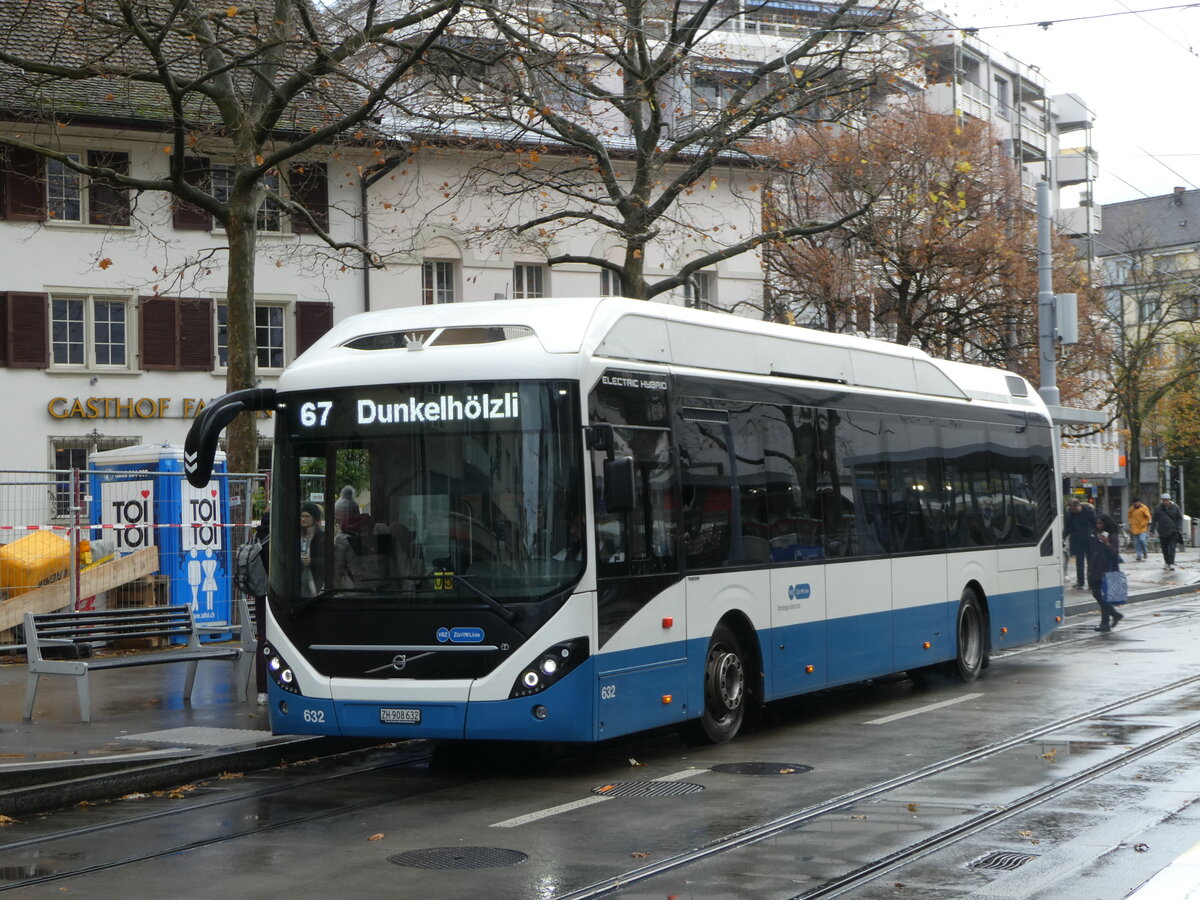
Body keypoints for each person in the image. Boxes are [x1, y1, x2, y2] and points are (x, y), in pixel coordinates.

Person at [1088, 513, 1124, 633]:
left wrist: (1106, 543)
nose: (1098, 526)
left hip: (1107, 569)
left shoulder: (1112, 536)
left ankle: (1105, 623)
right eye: (1097, 523)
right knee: (1096, 593)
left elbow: (1114, 554)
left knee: (1103, 596)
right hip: (1096, 567)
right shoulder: (1096, 534)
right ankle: (1114, 614)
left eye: (1101, 523)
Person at [1064, 499, 1096, 589]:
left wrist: (1095, 534)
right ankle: (1080, 582)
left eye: (1074, 509)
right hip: (1077, 541)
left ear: (1079, 506)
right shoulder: (1070, 514)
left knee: (1091, 562)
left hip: (1089, 540)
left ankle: (1091, 583)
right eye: (1071, 509)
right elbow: (1067, 527)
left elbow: (1095, 523)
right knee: (1079, 563)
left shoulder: (1089, 512)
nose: (1073, 511)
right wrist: (1062, 538)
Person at [1151, 492, 1184, 571]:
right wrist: (1152, 530)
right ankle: (1167, 562)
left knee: (1172, 548)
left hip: (1173, 532)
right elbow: (1154, 519)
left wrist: (1178, 528)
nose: (1165, 502)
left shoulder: (1176, 507)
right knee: (1165, 548)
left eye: (1166, 500)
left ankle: (1170, 563)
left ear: (1169, 500)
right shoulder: (1158, 508)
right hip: (1162, 532)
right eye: (1163, 500)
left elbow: (1180, 518)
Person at [299, 502, 325, 596]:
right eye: (302, 516)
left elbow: (329, 561)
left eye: (307, 516)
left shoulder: (322, 538)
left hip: (316, 582)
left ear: (314, 518)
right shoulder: (297, 536)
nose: (303, 519)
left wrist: (311, 561)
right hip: (299, 583)